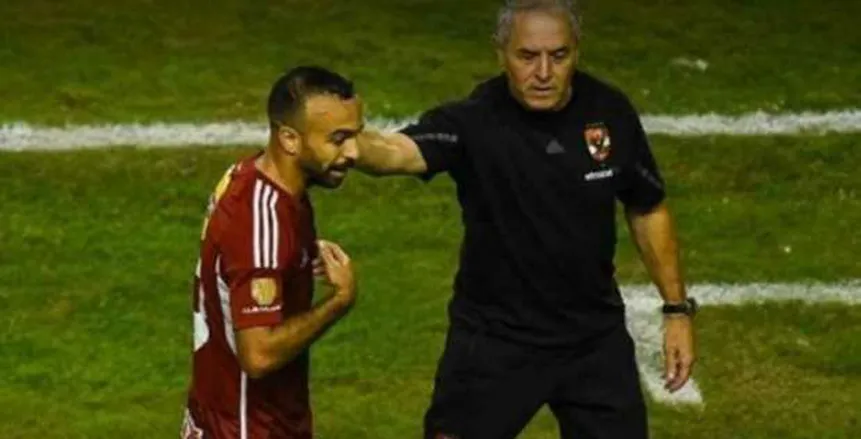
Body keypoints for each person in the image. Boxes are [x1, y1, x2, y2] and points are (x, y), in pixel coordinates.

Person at [354, 1, 696, 438]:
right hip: (495, 343)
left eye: (559, 55)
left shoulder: (609, 112)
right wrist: (345, 137)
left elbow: (647, 205)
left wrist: (677, 311)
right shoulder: (474, 120)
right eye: (527, 56)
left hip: (593, 340)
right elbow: (396, 153)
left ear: (577, 51)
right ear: (501, 53)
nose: (544, 72)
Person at [181, 66, 364, 439]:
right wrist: (339, 301)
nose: (353, 152)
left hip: (236, 416)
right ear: (290, 139)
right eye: (338, 139)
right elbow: (259, 355)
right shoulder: (260, 222)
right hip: (248, 427)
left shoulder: (252, 176)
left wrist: (296, 256)